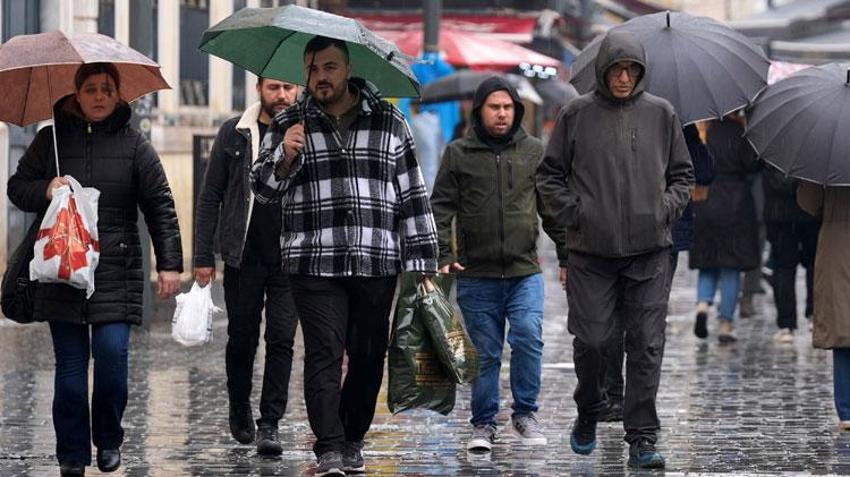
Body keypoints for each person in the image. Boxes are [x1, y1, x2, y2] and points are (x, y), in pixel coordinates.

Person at [250, 36, 438, 476]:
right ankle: (329, 446)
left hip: (375, 260)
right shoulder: (289, 122)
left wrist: (423, 261)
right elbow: (261, 190)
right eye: (313, 69)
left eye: (329, 67)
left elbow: (411, 192)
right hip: (313, 260)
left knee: (369, 355)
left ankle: (353, 436)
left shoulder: (389, 120)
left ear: (348, 68)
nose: (321, 77)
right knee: (323, 352)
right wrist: (283, 156)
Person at [7, 63, 182, 477]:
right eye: (91, 89)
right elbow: (17, 188)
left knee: (112, 362)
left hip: (114, 270)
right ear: (77, 95)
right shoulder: (49, 141)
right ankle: (71, 454)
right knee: (69, 370)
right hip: (61, 271)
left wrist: (170, 264)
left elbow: (160, 205)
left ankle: (109, 439)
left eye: (107, 89)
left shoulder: (135, 145)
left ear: (119, 95)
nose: (99, 96)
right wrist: (45, 188)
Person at [536, 30, 693, 469]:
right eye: (617, 69)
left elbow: (683, 175)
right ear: (604, 71)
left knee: (645, 343)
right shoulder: (576, 114)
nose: (624, 77)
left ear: (641, 72)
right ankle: (589, 410)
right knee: (592, 340)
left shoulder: (661, 114)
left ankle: (642, 436)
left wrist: (664, 209)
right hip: (591, 251)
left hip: (649, 251)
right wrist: (577, 212)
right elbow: (549, 175)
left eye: (631, 69)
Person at [430, 76, 559, 451]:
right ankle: (483, 424)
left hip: (524, 271)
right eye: (494, 107)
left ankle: (525, 413)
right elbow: (441, 208)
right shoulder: (458, 153)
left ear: (516, 111)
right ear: (479, 111)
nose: (501, 114)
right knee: (485, 353)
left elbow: (550, 209)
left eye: (507, 107)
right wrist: (443, 254)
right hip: (476, 274)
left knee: (528, 336)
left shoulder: (534, 151)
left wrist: (567, 256)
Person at [193, 77, 300, 455]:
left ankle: (270, 421)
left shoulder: (309, 132)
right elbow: (210, 196)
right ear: (258, 89)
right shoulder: (234, 133)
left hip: (292, 255)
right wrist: (203, 256)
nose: (282, 95)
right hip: (244, 253)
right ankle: (239, 403)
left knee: (282, 339)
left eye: (289, 87)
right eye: (274, 87)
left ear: (299, 90)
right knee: (241, 338)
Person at [600, 123, 714, 423]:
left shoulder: (681, 128)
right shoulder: (669, 123)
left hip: (660, 235)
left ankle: (630, 400)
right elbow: (703, 172)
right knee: (635, 319)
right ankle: (623, 397)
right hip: (632, 231)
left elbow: (702, 173)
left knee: (636, 319)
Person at [689, 115, 761, 343]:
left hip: (706, 199)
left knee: (707, 262)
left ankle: (702, 304)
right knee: (731, 266)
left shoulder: (703, 131)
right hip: (736, 202)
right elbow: (752, 164)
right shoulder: (740, 131)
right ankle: (725, 323)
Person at [797, 183, 850, 431]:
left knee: (842, 327)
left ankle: (846, 409)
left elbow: (809, 202)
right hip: (835, 242)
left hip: (835, 243)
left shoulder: (825, 163)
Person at [762, 166, 819, 342]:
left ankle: (789, 323)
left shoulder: (773, 146)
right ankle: (810, 316)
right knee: (809, 267)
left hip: (783, 215)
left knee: (787, 269)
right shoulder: (814, 147)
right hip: (805, 213)